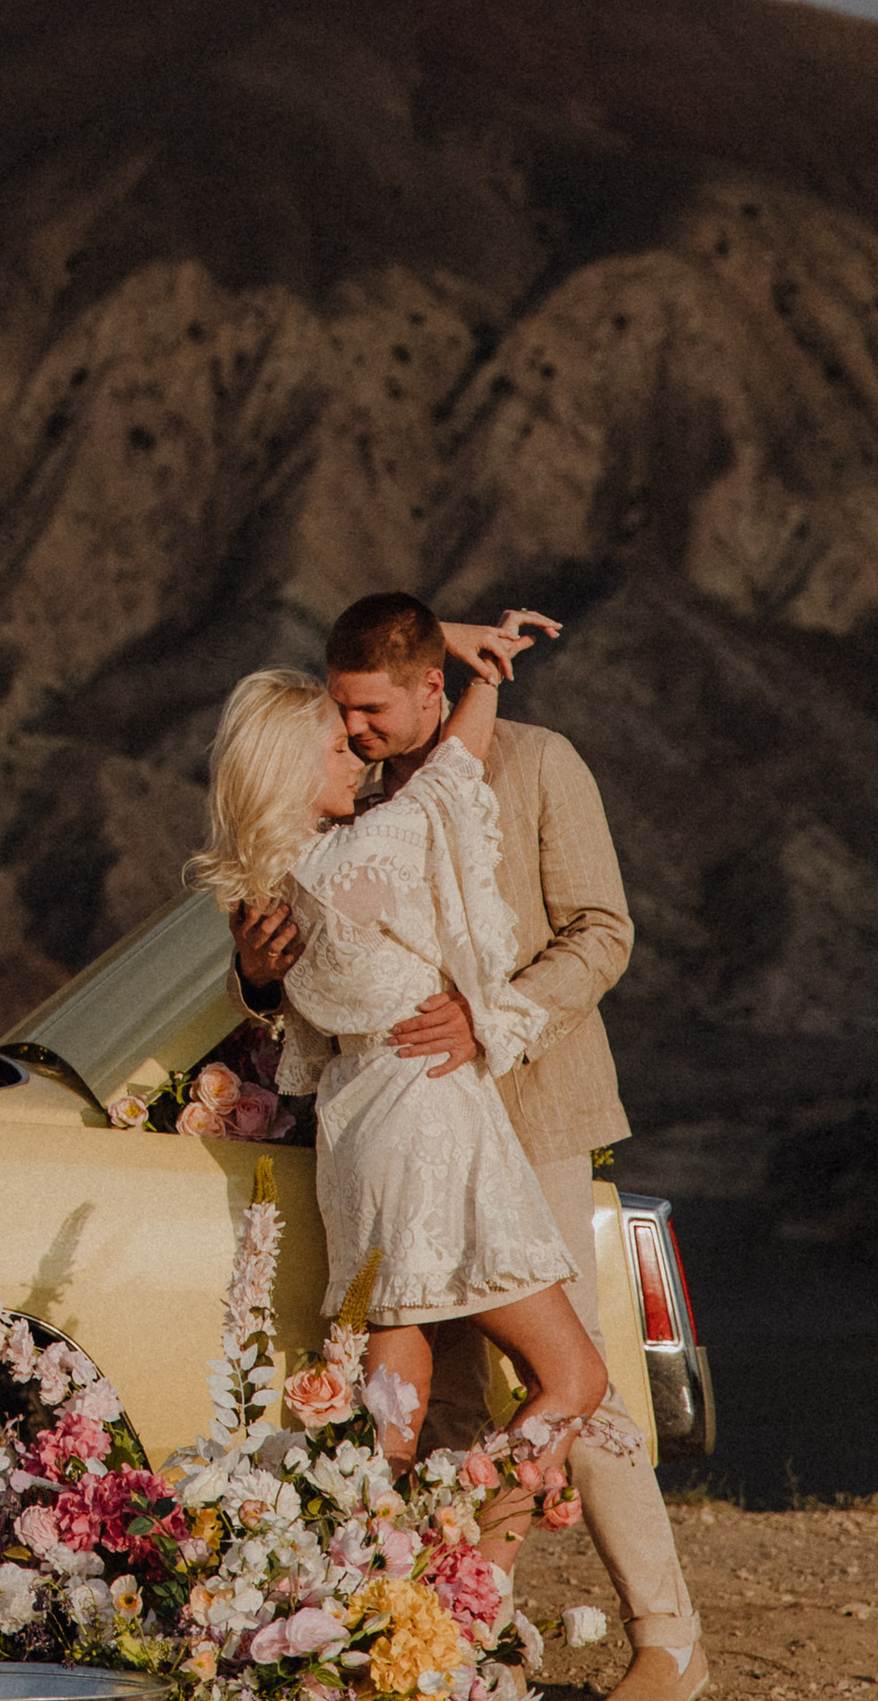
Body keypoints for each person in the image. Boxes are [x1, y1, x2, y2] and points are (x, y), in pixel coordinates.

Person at [230, 593, 705, 1701]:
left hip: (528, 1111)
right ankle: (453, 1633)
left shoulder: (537, 763)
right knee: (439, 1402)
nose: (353, 731)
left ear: (427, 691)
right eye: (340, 713)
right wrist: (254, 977)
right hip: (408, 1120)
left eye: (370, 711)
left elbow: (602, 932)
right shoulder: (348, 805)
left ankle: (665, 1639)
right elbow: (318, 984)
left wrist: (489, 1021)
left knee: (579, 1383)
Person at [194, 638, 616, 1571]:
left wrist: (429, 648)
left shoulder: (272, 887)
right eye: (336, 745)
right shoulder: (358, 855)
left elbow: (283, 1017)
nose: (359, 753)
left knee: (395, 1390)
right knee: (574, 1377)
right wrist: (478, 669)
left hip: (356, 1124)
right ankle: (460, 1574)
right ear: (290, 767)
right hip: (429, 1118)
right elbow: (453, 768)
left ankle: (374, 1579)